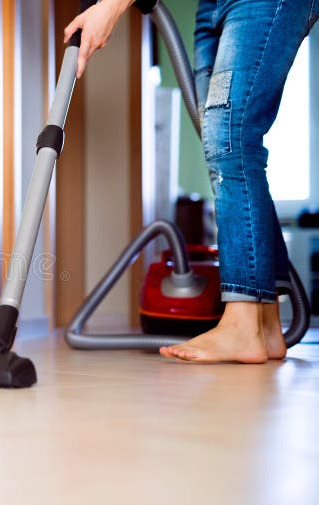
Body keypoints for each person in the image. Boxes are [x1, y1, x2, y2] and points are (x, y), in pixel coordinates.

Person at [65, 0, 319, 363]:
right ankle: (265, 326)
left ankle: (242, 324)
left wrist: (110, 6)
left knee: (230, 138)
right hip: (211, 6)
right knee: (226, 146)